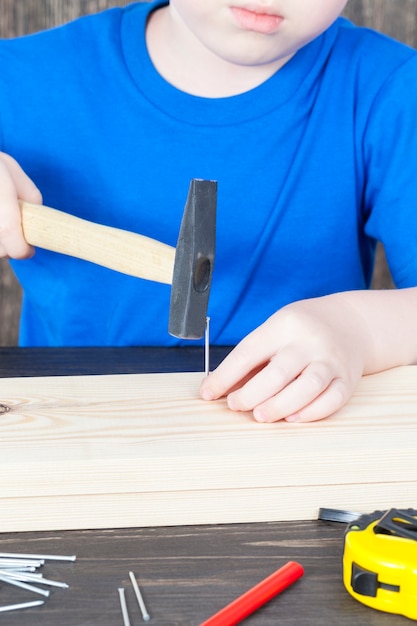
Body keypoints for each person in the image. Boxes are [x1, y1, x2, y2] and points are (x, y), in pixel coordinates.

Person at [0, 0, 417, 423]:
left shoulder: (392, 88)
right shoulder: (18, 77)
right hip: (71, 426)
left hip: (290, 434)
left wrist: (360, 330)